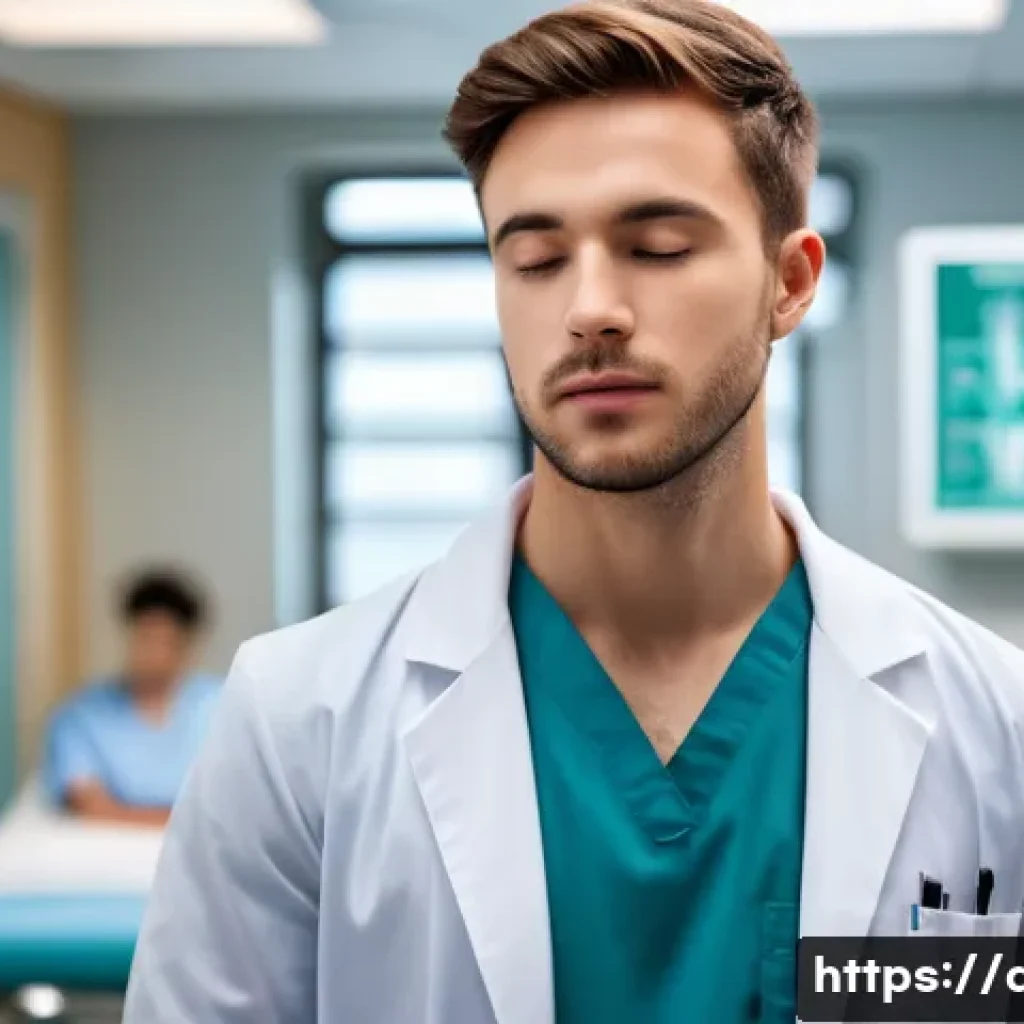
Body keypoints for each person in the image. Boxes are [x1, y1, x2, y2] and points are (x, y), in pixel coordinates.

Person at [125, 2, 1024, 1022]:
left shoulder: (997, 727)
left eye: (658, 245)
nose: (589, 305)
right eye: (537, 258)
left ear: (789, 282)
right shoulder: (299, 725)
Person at [43, 569, 220, 828]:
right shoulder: (80, 716)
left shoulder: (223, 705)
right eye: (147, 638)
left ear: (189, 644)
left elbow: (244, 800)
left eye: (168, 642)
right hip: (114, 854)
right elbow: (90, 806)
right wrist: (185, 824)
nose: (156, 655)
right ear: (130, 633)